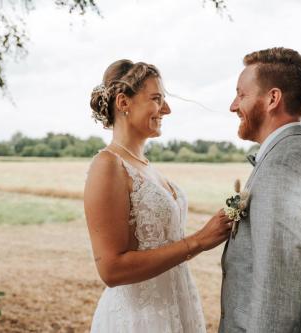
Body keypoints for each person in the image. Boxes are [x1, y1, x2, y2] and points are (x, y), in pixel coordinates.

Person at [84, 59, 232, 333]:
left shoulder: (146, 166)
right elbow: (111, 270)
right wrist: (198, 241)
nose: (167, 109)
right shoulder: (108, 166)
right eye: (156, 99)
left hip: (177, 307)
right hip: (139, 319)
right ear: (123, 102)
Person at [219, 48, 301, 332]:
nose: (233, 106)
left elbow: (277, 295)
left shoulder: (286, 165)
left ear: (272, 99)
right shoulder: (286, 154)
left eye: (241, 95)